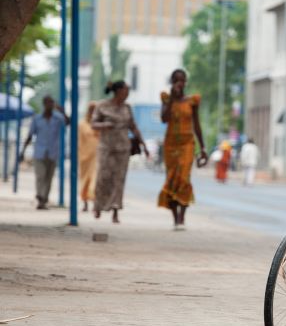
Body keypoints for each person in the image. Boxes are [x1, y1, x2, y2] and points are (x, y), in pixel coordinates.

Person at [92, 80, 149, 223]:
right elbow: (93, 123)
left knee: (119, 179)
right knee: (103, 177)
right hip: (106, 147)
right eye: (125, 91)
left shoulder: (127, 108)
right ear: (118, 91)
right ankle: (98, 205)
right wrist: (105, 125)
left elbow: (133, 127)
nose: (127, 94)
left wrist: (144, 145)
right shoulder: (102, 106)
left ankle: (115, 209)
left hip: (123, 148)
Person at [158, 69, 208, 230]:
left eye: (182, 80)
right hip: (170, 145)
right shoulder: (166, 99)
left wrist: (203, 148)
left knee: (184, 179)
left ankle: (182, 217)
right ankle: (174, 218)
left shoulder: (192, 101)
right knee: (172, 179)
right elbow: (164, 119)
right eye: (176, 81)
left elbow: (197, 125)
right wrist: (172, 99)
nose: (180, 83)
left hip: (187, 143)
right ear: (172, 83)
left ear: (185, 82)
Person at [19, 95, 70, 210]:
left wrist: (63, 112)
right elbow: (30, 135)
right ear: (44, 104)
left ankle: (44, 199)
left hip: (53, 152)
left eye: (52, 103)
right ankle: (40, 196)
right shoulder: (37, 119)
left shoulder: (58, 118)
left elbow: (68, 123)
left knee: (49, 177)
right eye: (48, 103)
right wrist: (23, 151)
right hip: (39, 152)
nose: (50, 105)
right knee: (40, 176)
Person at [77, 102, 100, 212]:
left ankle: (95, 202)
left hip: (97, 156)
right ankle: (85, 202)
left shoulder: (99, 124)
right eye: (92, 110)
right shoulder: (82, 124)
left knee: (95, 180)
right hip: (85, 157)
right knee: (85, 180)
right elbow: (78, 141)